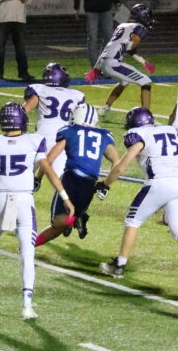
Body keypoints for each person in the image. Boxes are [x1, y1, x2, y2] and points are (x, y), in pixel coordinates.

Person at [0, 103, 74, 320]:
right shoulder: (33, 141)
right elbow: (49, 171)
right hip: (24, 201)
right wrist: (65, 197)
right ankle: (27, 305)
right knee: (27, 254)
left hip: (1, 200)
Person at [96, 107, 178, 279]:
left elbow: (120, 167)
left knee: (133, 220)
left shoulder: (139, 135)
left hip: (158, 183)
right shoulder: (168, 132)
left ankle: (119, 265)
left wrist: (105, 184)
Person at [33, 103, 120, 245]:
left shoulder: (70, 131)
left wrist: (38, 178)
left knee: (57, 221)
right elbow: (117, 163)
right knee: (59, 228)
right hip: (90, 183)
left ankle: (74, 221)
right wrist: (105, 185)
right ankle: (28, 248)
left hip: (71, 179)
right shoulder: (104, 135)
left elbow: (50, 159)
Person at [85, 3, 156, 114]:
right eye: (148, 16)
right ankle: (147, 115)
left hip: (104, 61)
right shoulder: (138, 28)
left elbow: (110, 46)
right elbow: (130, 48)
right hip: (113, 64)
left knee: (124, 82)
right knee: (146, 82)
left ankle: (105, 108)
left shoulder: (122, 26)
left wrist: (96, 68)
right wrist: (144, 62)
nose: (149, 19)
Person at [23, 62, 85, 176]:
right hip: (63, 140)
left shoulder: (39, 90)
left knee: (24, 175)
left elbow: (23, 111)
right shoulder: (76, 95)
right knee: (61, 179)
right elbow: (80, 122)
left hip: (41, 137)